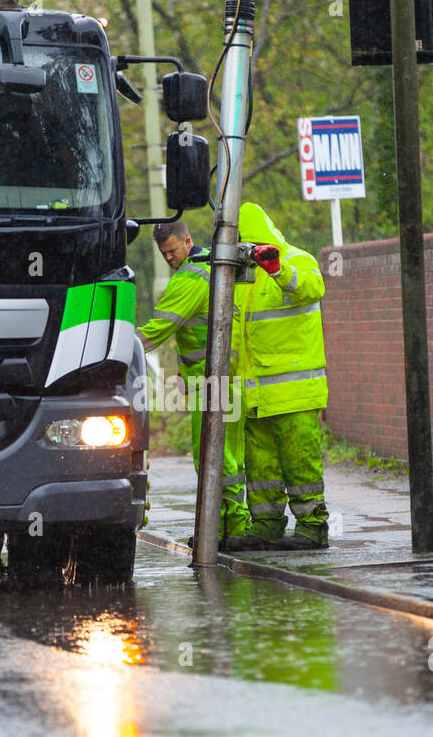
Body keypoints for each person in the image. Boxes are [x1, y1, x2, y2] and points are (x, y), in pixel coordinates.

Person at [137, 220, 251, 547]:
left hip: (211, 381)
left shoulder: (190, 278)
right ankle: (230, 527)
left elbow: (160, 327)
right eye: (163, 253)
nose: (169, 258)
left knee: (213, 457)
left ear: (187, 241)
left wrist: (118, 347)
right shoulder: (211, 268)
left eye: (172, 250)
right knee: (228, 454)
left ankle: (225, 530)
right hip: (225, 378)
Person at [228, 202, 330, 551]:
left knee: (300, 463)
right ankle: (266, 527)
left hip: (295, 393)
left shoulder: (296, 260)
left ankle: (313, 528)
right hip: (256, 396)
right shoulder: (241, 277)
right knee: (261, 470)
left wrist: (277, 270)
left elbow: (312, 288)